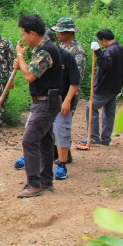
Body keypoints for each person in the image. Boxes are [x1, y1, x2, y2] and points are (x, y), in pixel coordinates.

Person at [14, 14, 62, 198]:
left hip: (45, 103)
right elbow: (30, 70)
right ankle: (45, 181)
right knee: (45, 141)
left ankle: (34, 183)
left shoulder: (46, 50)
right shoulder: (41, 49)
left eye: (24, 34)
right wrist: (21, 63)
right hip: (43, 101)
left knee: (30, 140)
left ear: (32, 33)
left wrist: (20, 56)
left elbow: (30, 76)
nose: (24, 38)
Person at [82, 29, 123, 146]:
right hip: (115, 86)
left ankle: (94, 137)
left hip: (105, 86)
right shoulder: (122, 50)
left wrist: (98, 51)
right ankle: (105, 138)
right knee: (109, 112)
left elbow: (105, 64)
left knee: (91, 107)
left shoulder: (111, 50)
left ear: (103, 40)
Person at [52, 17, 86, 164]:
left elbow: (77, 77)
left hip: (69, 94)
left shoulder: (77, 50)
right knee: (55, 123)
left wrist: (68, 98)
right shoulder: (61, 46)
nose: (58, 34)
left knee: (63, 124)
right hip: (57, 92)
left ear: (68, 32)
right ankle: (56, 152)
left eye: (60, 31)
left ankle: (65, 155)